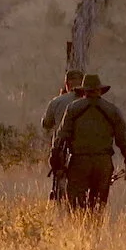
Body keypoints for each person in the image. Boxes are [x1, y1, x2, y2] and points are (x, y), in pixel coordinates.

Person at [50, 73, 126, 211]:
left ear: (83, 91)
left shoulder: (73, 108)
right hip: (103, 163)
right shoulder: (111, 110)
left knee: (76, 206)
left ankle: (79, 224)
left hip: (79, 162)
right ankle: (94, 224)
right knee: (98, 205)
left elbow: (61, 138)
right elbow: (124, 139)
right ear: (100, 90)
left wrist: (56, 164)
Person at [42, 69, 85, 201]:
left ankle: (61, 205)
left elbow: (46, 124)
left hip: (61, 150)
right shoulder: (90, 101)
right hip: (84, 150)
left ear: (67, 83)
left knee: (60, 184)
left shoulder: (57, 101)